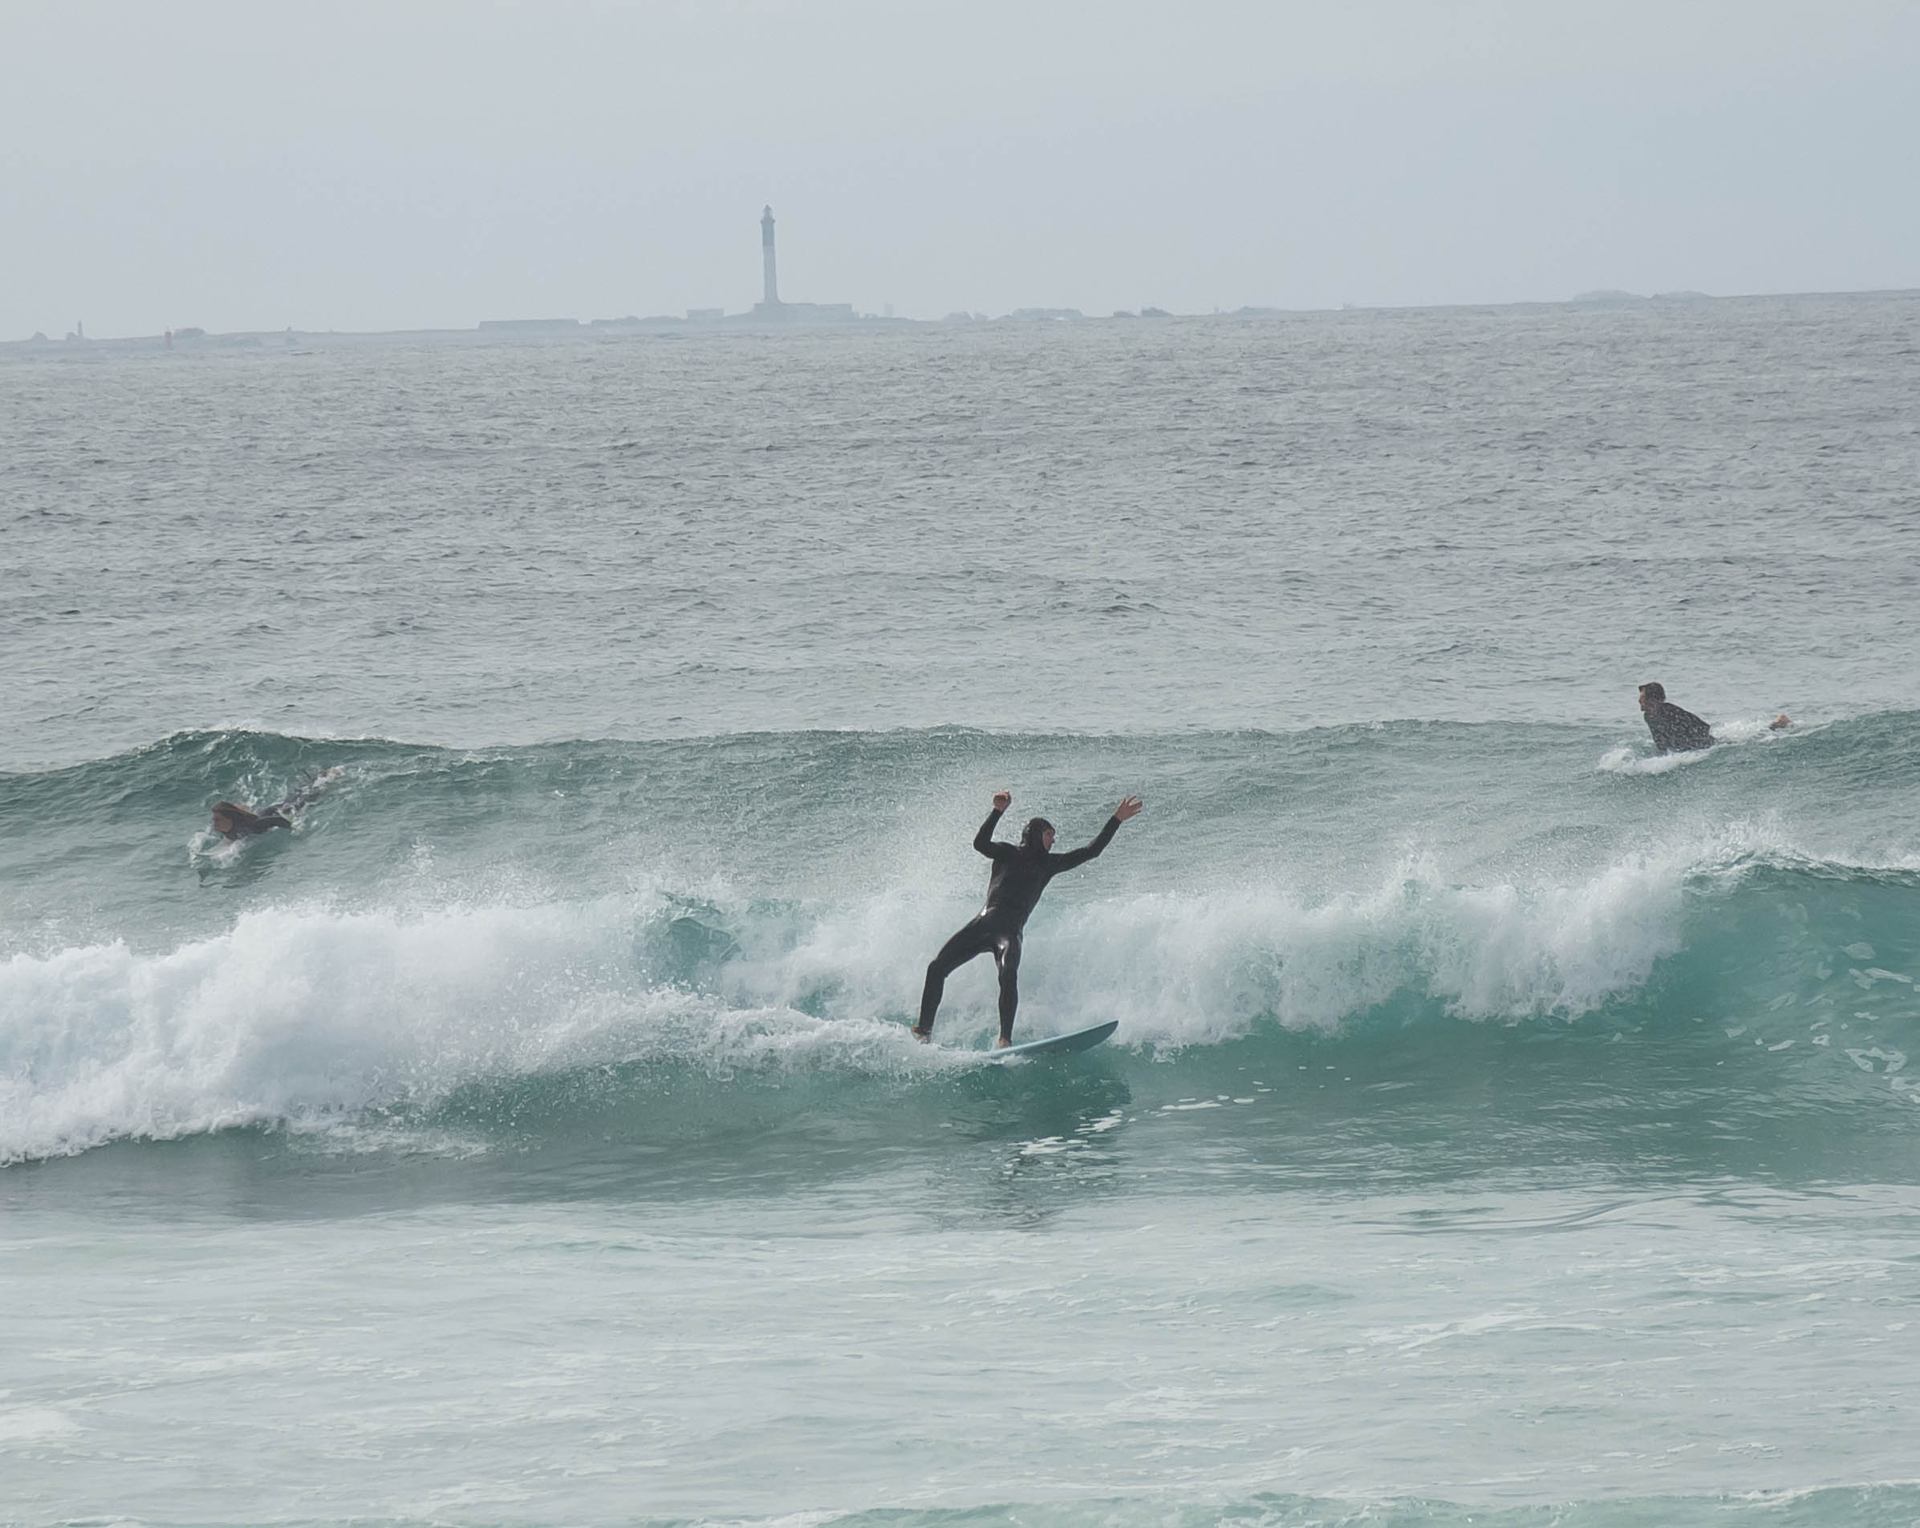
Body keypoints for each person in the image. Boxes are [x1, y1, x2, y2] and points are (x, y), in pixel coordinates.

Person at [915, 789, 1144, 1048]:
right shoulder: (1007, 853)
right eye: (1049, 834)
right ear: (1035, 833)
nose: (1053, 840)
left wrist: (1116, 819)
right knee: (936, 968)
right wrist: (997, 812)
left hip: (1009, 933)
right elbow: (980, 844)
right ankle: (924, 1031)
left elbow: (1092, 851)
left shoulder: (1050, 864)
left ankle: (1004, 1040)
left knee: (1008, 975)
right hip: (983, 923)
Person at [1638, 682, 1790, 755]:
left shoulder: (1670, 710)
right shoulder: (1649, 716)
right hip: (1688, 748)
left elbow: (1701, 726)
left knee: (1745, 742)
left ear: (1653, 700)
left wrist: (1696, 743)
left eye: (1642, 698)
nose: (1639, 701)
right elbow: (1660, 739)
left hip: (1704, 743)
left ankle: (1777, 724)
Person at [208, 768, 342, 841]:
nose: (214, 823)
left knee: (305, 799)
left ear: (230, 818)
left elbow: (276, 820)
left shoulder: (253, 826)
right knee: (298, 794)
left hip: (278, 811)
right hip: (265, 812)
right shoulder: (224, 829)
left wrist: (295, 828)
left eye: (217, 820)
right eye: (214, 819)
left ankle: (329, 777)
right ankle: (316, 778)